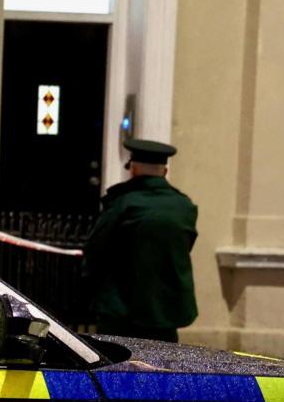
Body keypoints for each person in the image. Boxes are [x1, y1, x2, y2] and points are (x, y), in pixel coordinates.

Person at [82, 138, 198, 343]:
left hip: (122, 310)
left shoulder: (122, 203)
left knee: (116, 362)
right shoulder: (184, 206)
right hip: (165, 312)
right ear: (165, 172)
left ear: (133, 170)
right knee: (161, 361)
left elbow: (96, 249)